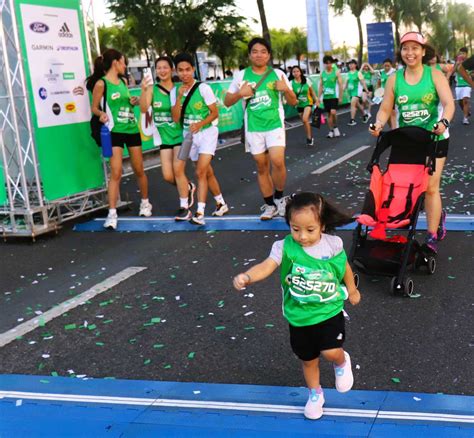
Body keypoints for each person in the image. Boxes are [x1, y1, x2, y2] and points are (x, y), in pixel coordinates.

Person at [233, 192, 361, 420]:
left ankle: (341, 361)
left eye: (310, 230)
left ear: (322, 224)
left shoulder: (332, 244)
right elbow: (267, 266)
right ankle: (315, 394)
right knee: (308, 359)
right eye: (295, 229)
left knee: (330, 351)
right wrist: (247, 276)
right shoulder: (283, 247)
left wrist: (351, 289)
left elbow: (345, 268)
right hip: (298, 316)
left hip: (328, 310)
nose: (302, 236)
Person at [369, 31, 455, 254]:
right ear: (401, 53)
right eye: (406, 48)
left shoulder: (434, 75)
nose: (410, 53)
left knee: (430, 187)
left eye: (415, 48)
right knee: (412, 187)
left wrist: (444, 121)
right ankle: (438, 215)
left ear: (423, 52)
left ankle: (432, 235)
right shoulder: (394, 79)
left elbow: (448, 103)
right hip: (408, 139)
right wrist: (378, 124)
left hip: (435, 136)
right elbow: (386, 108)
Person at [224, 37, 297, 220]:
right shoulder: (241, 76)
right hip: (254, 127)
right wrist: (241, 93)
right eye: (255, 51)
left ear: (269, 55)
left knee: (278, 161)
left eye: (263, 51)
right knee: (261, 166)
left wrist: (286, 90)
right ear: (249, 55)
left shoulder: (278, 74)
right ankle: (269, 204)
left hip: (274, 125)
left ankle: (280, 199)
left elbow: (294, 101)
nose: (259, 55)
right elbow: (227, 102)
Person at [87, 49, 152, 230]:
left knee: (139, 169)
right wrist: (101, 114)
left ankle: (145, 203)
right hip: (113, 132)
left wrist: (134, 100)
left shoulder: (123, 81)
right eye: (123, 62)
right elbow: (94, 107)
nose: (125, 66)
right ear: (115, 62)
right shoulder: (101, 84)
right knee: (116, 172)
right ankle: (112, 213)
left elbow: (130, 102)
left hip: (131, 130)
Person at [171, 53, 228, 225]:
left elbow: (214, 113)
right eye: (180, 70)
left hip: (207, 134)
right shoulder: (176, 91)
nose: (184, 74)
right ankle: (221, 203)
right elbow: (175, 118)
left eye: (187, 70)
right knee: (207, 172)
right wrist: (179, 98)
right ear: (177, 71)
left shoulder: (203, 88)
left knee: (200, 172)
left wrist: (200, 124)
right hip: (189, 137)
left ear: (193, 70)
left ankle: (200, 213)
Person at [139, 56, 196, 221]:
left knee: (178, 170)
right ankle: (188, 186)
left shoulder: (180, 88)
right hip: (164, 139)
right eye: (159, 68)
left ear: (172, 70)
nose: (162, 71)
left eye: (165, 67)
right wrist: (144, 91)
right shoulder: (152, 89)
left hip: (181, 136)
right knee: (167, 176)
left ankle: (184, 207)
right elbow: (143, 108)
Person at [289, 65, 319, 146]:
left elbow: (312, 92)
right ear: (292, 73)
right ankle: (309, 136)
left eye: (297, 71)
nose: (296, 73)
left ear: (300, 72)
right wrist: (293, 100)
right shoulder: (291, 83)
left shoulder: (306, 80)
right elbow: (290, 95)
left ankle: (309, 138)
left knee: (305, 119)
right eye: (294, 72)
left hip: (308, 103)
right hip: (298, 105)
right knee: (304, 122)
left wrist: (316, 100)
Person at [318, 55, 344, 138]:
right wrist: (318, 98)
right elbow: (321, 86)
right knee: (329, 114)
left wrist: (340, 96)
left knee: (333, 112)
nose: (328, 65)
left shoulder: (336, 72)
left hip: (334, 96)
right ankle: (331, 130)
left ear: (332, 64)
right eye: (326, 63)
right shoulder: (322, 74)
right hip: (326, 97)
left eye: (329, 63)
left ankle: (335, 127)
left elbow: (340, 85)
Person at [345, 60, 369, 126]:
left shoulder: (358, 73)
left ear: (355, 65)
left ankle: (352, 120)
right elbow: (346, 83)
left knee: (352, 104)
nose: (350, 65)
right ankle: (365, 115)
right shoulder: (348, 73)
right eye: (349, 64)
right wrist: (344, 89)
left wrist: (366, 90)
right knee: (358, 105)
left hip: (357, 92)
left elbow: (363, 82)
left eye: (352, 64)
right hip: (351, 92)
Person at [452, 48, 471, 125]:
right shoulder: (457, 63)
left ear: (466, 54)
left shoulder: (469, 63)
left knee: (465, 100)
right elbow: (452, 72)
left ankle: (465, 118)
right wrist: (457, 64)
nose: (462, 55)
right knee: (460, 102)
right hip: (458, 85)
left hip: (467, 85)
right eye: (460, 53)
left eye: (463, 53)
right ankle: (466, 112)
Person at [376, 58, 397, 128]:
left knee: (392, 113)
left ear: (391, 65)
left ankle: (394, 130)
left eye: (388, 66)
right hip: (383, 96)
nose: (386, 67)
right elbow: (378, 83)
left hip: (393, 95)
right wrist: (377, 93)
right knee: (386, 116)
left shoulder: (395, 72)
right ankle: (392, 127)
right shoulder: (380, 72)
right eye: (385, 66)